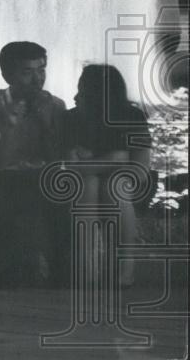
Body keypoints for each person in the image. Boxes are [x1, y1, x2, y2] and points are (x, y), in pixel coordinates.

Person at [0, 41, 69, 288]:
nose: (38, 80)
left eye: (42, 70)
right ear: (7, 75)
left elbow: (58, 158)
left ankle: (61, 273)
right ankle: (10, 272)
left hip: (41, 176)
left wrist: (47, 125)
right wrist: (12, 127)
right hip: (1, 177)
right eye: (27, 72)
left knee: (62, 191)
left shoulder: (56, 105)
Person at [63, 64, 152, 287]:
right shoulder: (71, 118)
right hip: (88, 179)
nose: (75, 96)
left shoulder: (130, 115)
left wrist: (94, 160)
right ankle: (86, 268)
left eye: (82, 91)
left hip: (134, 178)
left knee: (115, 185)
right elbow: (70, 162)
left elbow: (129, 163)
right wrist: (106, 160)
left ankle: (124, 270)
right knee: (89, 184)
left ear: (99, 96)